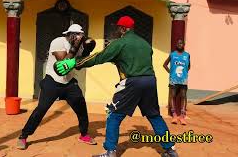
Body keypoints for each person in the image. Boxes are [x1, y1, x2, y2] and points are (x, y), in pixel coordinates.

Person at [55, 16, 178, 157]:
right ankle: (170, 150)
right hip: (150, 81)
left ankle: (110, 151)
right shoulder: (145, 43)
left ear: (123, 29)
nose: (117, 30)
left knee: (113, 115)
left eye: (119, 28)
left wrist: (74, 63)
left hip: (132, 83)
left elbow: (99, 57)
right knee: (155, 116)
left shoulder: (120, 43)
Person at [17, 24, 97, 150]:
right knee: (41, 109)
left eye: (80, 35)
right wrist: (75, 47)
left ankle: (84, 134)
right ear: (69, 34)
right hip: (52, 81)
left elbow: (80, 62)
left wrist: (87, 48)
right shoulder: (58, 42)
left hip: (69, 82)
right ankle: (23, 136)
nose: (78, 37)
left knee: (81, 107)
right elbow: (63, 64)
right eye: (76, 34)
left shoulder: (79, 45)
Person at [163, 39, 190, 125]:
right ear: (176, 44)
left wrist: (184, 74)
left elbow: (188, 66)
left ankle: (182, 116)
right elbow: (164, 65)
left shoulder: (187, 55)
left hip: (183, 80)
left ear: (184, 44)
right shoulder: (172, 54)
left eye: (181, 43)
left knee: (183, 96)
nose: (180, 44)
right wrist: (171, 73)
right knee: (173, 96)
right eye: (178, 43)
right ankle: (174, 115)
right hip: (173, 79)